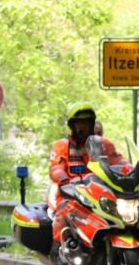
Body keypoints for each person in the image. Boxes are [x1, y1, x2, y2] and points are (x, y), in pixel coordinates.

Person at [48, 103, 124, 246]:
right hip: (71, 192)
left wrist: (129, 173)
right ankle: (58, 248)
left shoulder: (103, 144)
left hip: (101, 192)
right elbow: (55, 167)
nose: (82, 127)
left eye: (86, 123)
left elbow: (119, 161)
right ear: (71, 126)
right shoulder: (62, 145)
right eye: (79, 124)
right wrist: (63, 179)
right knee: (65, 210)